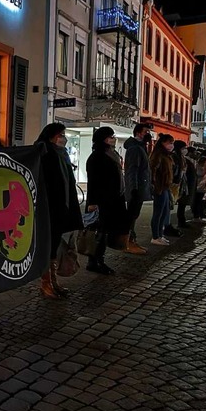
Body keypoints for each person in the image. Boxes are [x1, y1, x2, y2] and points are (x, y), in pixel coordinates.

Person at [34, 123, 83, 298]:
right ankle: (46, 283)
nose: (63, 137)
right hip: (49, 208)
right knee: (48, 246)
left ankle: (53, 281)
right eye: (60, 134)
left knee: (54, 245)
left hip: (61, 206)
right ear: (51, 135)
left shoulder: (62, 154)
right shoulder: (43, 152)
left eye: (64, 134)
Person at [85, 127, 129, 274]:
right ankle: (95, 261)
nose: (113, 139)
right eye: (110, 136)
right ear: (103, 139)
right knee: (98, 232)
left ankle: (99, 260)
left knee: (105, 231)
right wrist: (92, 202)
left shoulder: (112, 154)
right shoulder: (97, 156)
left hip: (113, 199)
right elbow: (93, 181)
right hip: (101, 201)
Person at [123, 123, 152, 254]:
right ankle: (128, 242)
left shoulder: (140, 147)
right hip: (136, 187)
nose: (148, 134)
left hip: (139, 186)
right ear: (138, 133)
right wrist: (133, 188)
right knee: (131, 216)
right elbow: (132, 170)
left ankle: (130, 241)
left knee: (133, 215)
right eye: (146, 132)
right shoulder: (135, 148)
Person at [148, 134, 175, 245]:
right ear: (163, 143)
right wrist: (154, 185)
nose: (171, 145)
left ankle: (159, 235)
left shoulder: (167, 155)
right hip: (160, 187)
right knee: (158, 213)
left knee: (164, 212)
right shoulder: (158, 155)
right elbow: (153, 171)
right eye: (170, 142)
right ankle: (155, 236)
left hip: (165, 186)